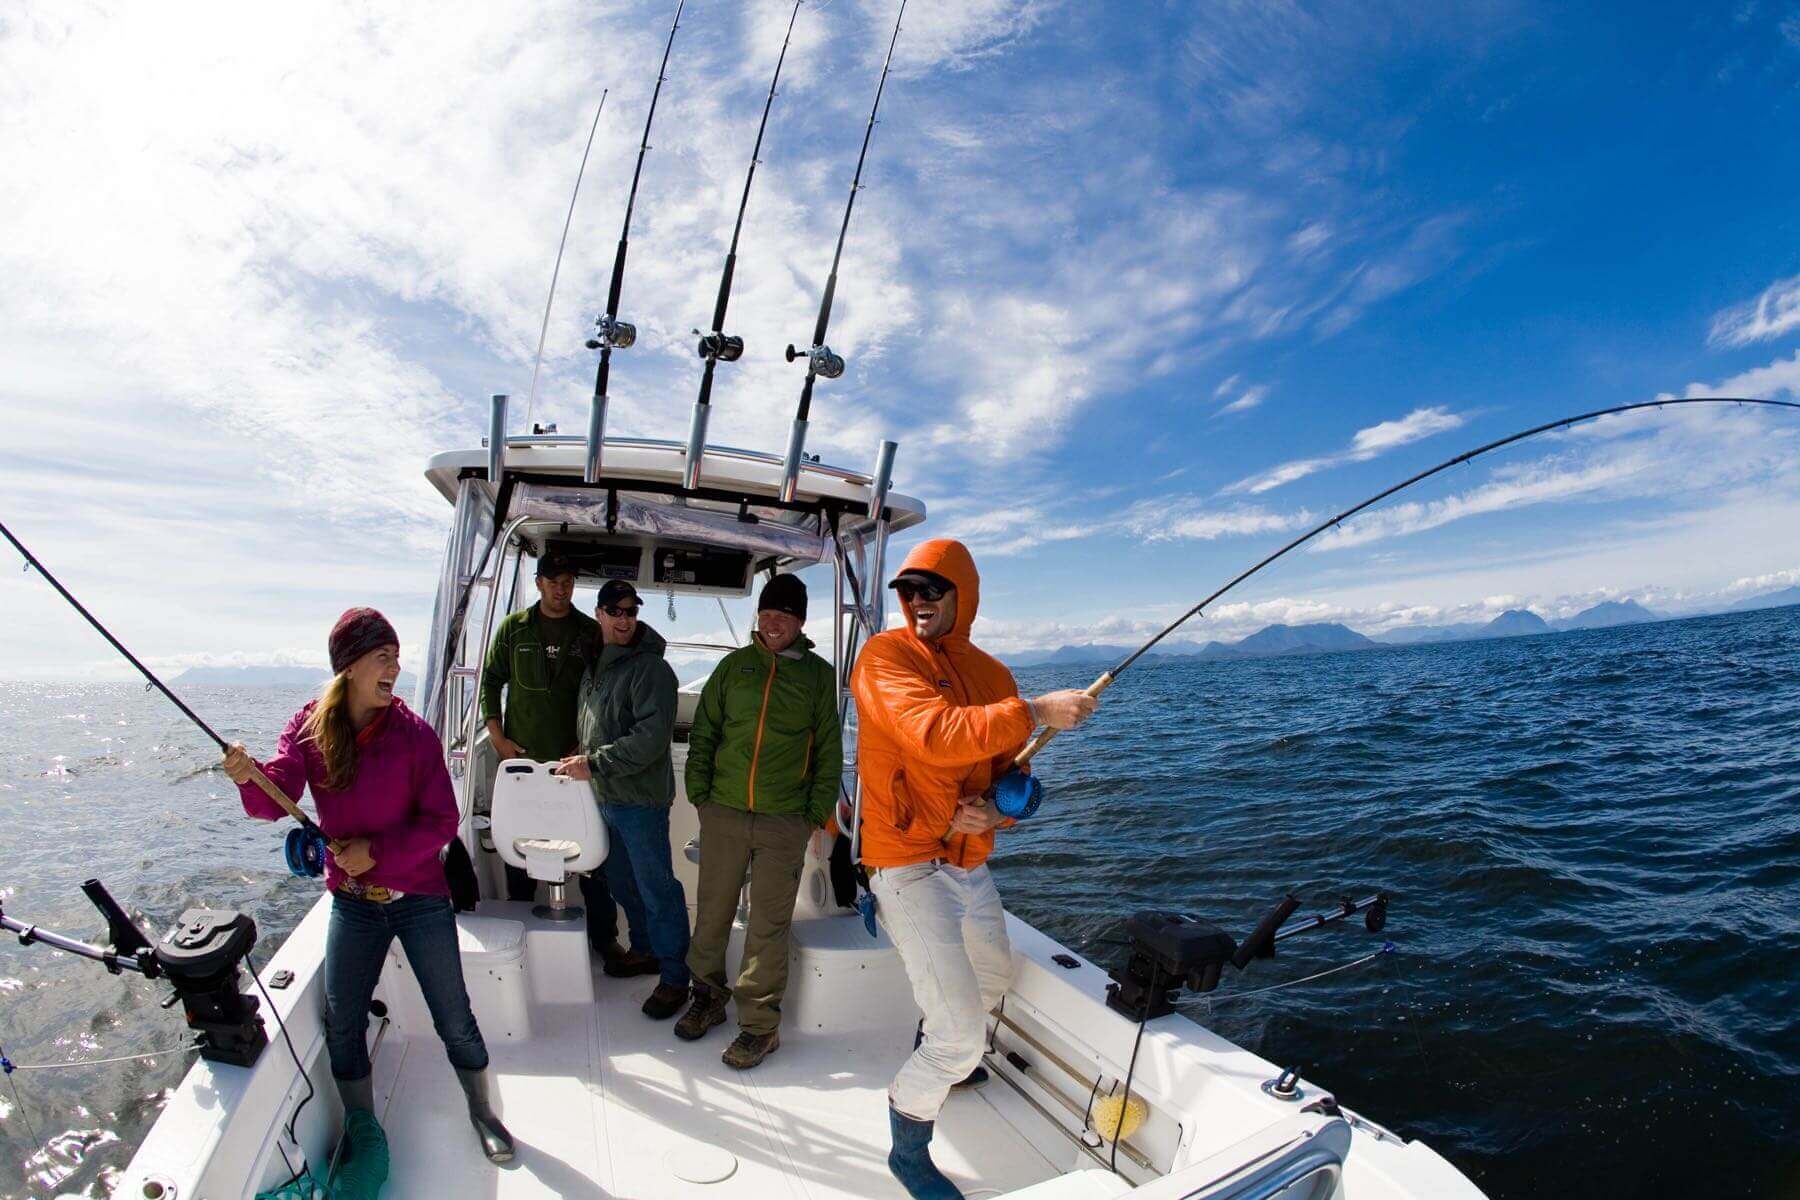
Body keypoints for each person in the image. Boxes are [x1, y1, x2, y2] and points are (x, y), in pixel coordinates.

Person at [851, 540, 1097, 1200]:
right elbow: (932, 731)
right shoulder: (883, 659)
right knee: (961, 1035)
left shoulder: (995, 676)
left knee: (991, 977)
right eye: (909, 590)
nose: (919, 600)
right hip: (904, 862)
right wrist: (1040, 711)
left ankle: (941, 1050)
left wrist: (994, 812)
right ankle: (909, 1151)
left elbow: (1011, 779)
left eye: (933, 588)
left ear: (965, 594)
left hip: (969, 863)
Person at [223, 608, 514, 1163]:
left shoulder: (414, 736)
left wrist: (373, 853)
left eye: (397, 658)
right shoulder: (310, 727)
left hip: (420, 900)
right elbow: (273, 799)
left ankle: (482, 1112)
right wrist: (248, 775)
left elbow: (440, 822)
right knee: (342, 1021)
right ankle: (363, 1127)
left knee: (453, 1013)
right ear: (350, 666)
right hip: (353, 905)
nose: (396, 669)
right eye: (384, 657)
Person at [677, 573, 841, 1068]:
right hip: (723, 811)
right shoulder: (733, 668)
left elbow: (829, 750)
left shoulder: (818, 676)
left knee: (767, 926)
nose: (771, 624)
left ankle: (760, 1027)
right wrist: (700, 795)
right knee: (712, 913)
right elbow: (705, 733)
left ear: (800, 621)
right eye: (766, 614)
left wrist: (813, 813)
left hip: (783, 820)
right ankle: (706, 997)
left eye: (783, 616)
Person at [481, 554, 652, 976]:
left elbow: (608, 679)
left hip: (576, 763)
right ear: (539, 583)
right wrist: (497, 737)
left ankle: (605, 938)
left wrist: (590, 746)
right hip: (521, 762)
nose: (561, 588)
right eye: (554, 580)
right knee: (519, 851)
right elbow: (490, 680)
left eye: (569, 580)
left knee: (592, 856)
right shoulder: (513, 629)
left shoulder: (590, 632)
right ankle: (520, 934)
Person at [555, 581, 691, 1019]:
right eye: (615, 610)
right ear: (599, 613)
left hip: (639, 801)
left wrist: (593, 762)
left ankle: (674, 978)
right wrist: (582, 755)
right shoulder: (600, 665)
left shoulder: (649, 669)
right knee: (620, 880)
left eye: (631, 611)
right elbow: (594, 722)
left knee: (657, 889)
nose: (624, 618)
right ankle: (647, 949)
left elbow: (650, 740)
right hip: (605, 798)